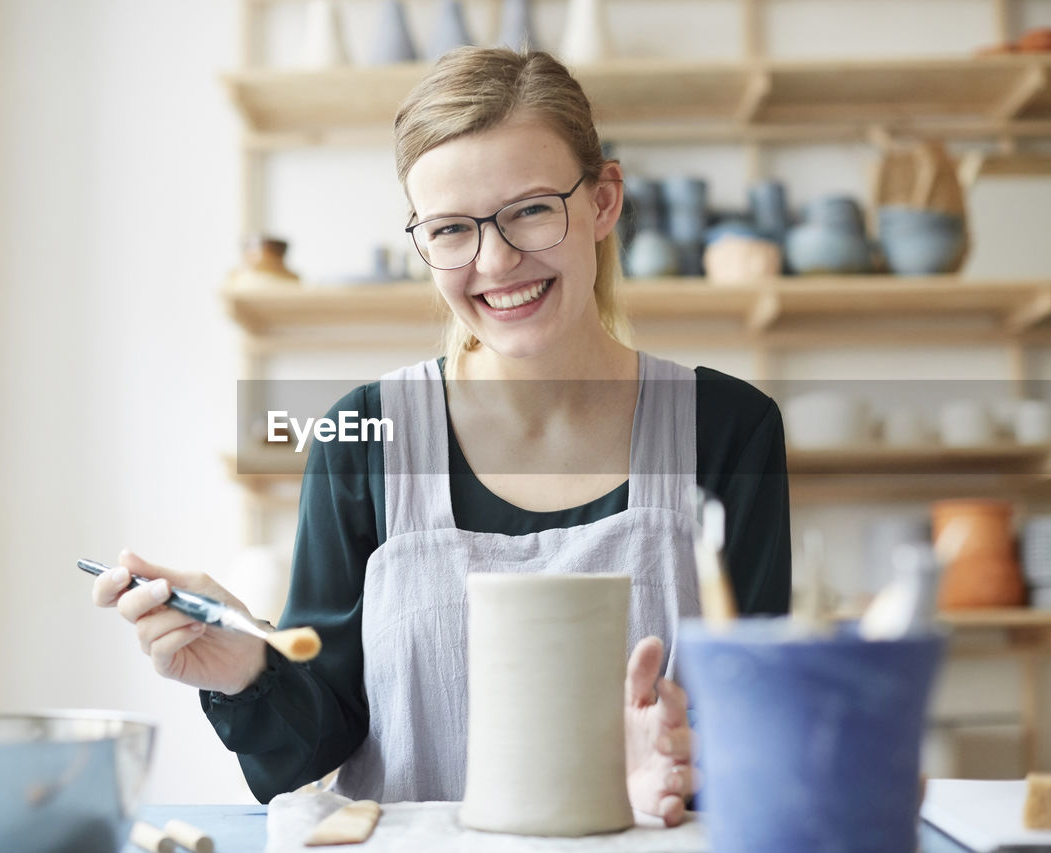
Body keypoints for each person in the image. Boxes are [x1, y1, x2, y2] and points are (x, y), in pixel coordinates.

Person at [93, 47, 790, 826]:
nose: (495, 261)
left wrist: (686, 762)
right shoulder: (363, 438)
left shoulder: (729, 430)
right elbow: (317, 738)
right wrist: (246, 669)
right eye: (452, 228)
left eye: (530, 208)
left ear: (603, 201)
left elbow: (766, 739)